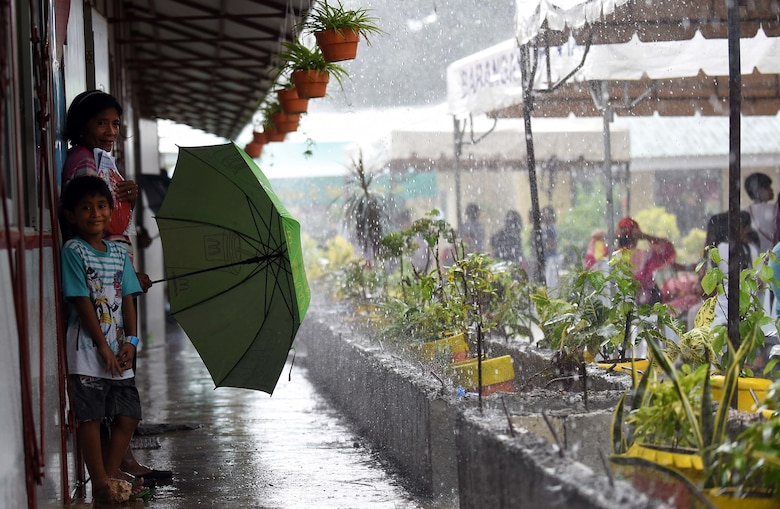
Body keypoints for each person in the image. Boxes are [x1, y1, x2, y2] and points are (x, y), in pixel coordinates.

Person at [62, 90, 169, 481]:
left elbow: (115, 219)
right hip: (100, 292)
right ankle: (113, 471)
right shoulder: (82, 163)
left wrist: (130, 198)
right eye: (102, 123)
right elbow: (99, 221)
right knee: (100, 399)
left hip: (117, 272)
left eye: (116, 124)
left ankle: (119, 465)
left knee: (122, 389)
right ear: (83, 125)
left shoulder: (104, 162)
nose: (111, 131)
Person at [60, 176, 148, 503]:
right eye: (85, 208)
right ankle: (100, 482)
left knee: (129, 415)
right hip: (86, 353)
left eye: (100, 206)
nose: (94, 214)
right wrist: (101, 346)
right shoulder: (73, 251)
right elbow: (82, 301)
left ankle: (108, 475)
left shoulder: (118, 253)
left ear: (111, 211)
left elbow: (128, 297)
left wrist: (133, 341)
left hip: (120, 351)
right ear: (70, 215)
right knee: (91, 417)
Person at [615, 217, 680, 305]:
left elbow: (668, 250)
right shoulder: (646, 256)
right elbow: (668, 250)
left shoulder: (611, 256)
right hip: (645, 308)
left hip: (641, 305)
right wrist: (646, 236)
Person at [744, 172, 776, 253]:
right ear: (760, 191)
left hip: (756, 256)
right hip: (774, 253)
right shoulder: (774, 209)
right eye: (768, 187)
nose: (772, 190)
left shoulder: (745, 211)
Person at [541, 206, 560, 292]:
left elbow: (553, 244)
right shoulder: (546, 228)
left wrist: (543, 247)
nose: (544, 216)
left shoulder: (550, 228)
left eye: (546, 214)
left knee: (551, 282)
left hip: (551, 259)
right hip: (548, 259)